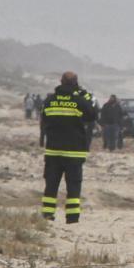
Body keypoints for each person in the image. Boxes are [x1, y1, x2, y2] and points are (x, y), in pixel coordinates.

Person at [39, 71, 96, 223]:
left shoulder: (49, 100)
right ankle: (72, 218)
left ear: (61, 81)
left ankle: (47, 215)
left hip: (53, 151)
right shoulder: (79, 100)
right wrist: (86, 97)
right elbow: (92, 115)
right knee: (73, 186)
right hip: (74, 152)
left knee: (51, 185)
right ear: (75, 83)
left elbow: (44, 119)